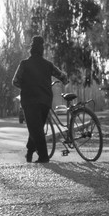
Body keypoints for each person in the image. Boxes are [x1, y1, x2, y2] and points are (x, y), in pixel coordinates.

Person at [12, 35, 68, 163]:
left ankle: (43, 156)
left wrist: (25, 86)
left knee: (35, 129)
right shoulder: (48, 65)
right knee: (36, 128)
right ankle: (29, 153)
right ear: (42, 50)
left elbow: (15, 81)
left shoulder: (24, 64)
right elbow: (62, 76)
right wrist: (66, 80)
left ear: (31, 49)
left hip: (30, 100)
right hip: (45, 101)